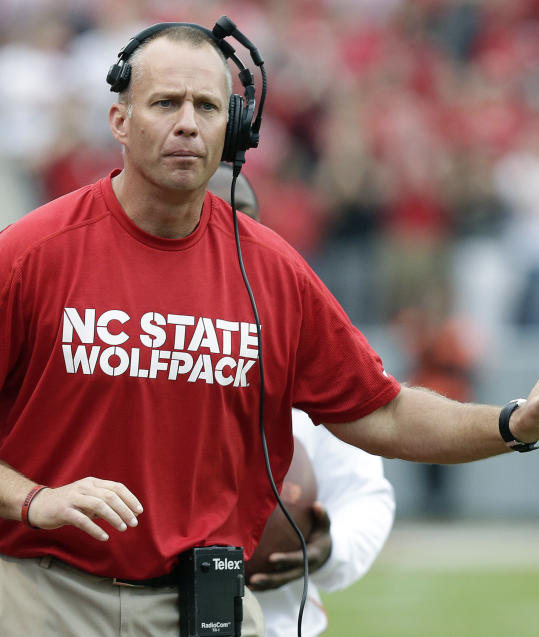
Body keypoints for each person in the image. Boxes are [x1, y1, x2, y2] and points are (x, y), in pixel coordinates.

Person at [0, 21, 539, 637]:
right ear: (119, 119)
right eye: (165, 102)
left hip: (201, 600)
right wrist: (30, 497)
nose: (186, 123)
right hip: (46, 595)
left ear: (234, 129)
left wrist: (512, 423)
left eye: (207, 107)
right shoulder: (32, 251)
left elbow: (384, 410)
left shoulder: (270, 268)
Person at [207, 165, 396, 637]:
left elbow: (363, 493)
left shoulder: (301, 333)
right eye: (207, 221)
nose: (229, 235)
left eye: (243, 220)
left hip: (276, 621)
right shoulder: (122, 339)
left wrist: (329, 550)